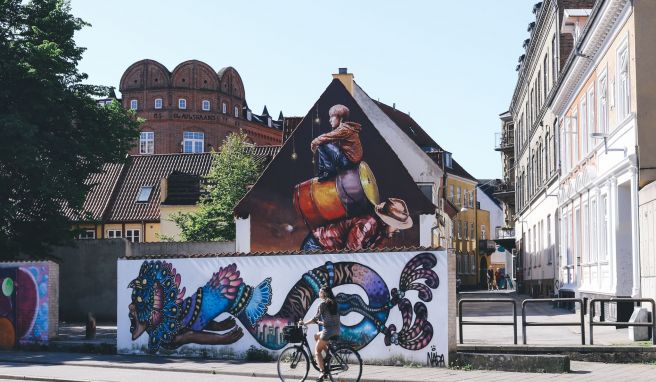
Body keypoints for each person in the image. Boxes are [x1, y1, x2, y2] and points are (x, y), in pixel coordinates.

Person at [300, 197, 413, 251]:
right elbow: (351, 253)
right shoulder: (367, 224)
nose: (398, 230)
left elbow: (374, 254)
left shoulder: (382, 233)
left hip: (328, 251)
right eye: (397, 226)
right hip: (316, 245)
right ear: (386, 222)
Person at [310, 104, 363, 181]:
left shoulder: (344, 129)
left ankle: (329, 171)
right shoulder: (346, 128)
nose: (330, 120)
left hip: (348, 162)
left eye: (332, 117)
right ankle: (323, 171)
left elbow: (326, 137)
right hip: (351, 161)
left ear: (340, 118)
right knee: (324, 143)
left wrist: (313, 143)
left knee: (321, 143)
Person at [300, 286, 340, 381]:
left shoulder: (322, 304)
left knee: (317, 351)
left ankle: (322, 372)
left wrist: (304, 323)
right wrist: (321, 323)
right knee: (316, 336)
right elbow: (332, 320)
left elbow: (315, 318)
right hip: (336, 330)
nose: (319, 293)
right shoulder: (334, 303)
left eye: (320, 292)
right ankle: (328, 354)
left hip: (328, 331)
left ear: (324, 294)